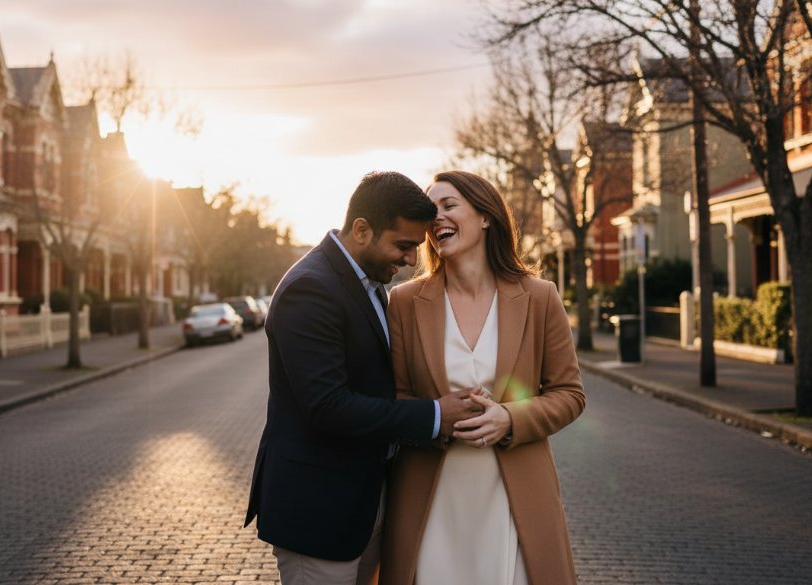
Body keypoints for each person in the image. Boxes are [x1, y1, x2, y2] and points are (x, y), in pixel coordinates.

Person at [244, 171, 483, 585]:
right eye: (404, 245)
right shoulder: (311, 288)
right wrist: (434, 416)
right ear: (361, 230)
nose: (411, 259)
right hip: (318, 511)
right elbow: (327, 406)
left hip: (364, 503)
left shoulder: (370, 284)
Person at [379, 170, 586, 585]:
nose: (436, 218)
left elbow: (570, 394)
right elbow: (395, 399)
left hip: (515, 495)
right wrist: (438, 417)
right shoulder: (403, 302)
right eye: (430, 210)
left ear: (486, 216)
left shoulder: (539, 296)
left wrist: (509, 419)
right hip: (431, 495)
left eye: (449, 205)